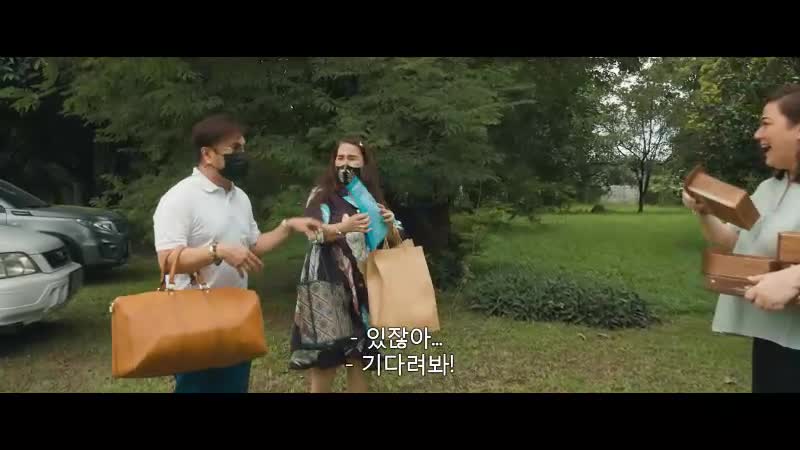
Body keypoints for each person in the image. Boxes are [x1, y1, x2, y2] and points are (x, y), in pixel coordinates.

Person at [152, 114, 321, 393]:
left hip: (237, 316)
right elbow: (168, 261)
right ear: (207, 154)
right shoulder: (180, 198)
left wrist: (288, 226)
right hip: (194, 319)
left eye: (244, 147)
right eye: (234, 148)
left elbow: (252, 246)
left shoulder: (239, 197)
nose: (243, 155)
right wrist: (217, 251)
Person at [682, 84, 800, 393]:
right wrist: (705, 211)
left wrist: (794, 279)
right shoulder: (768, 189)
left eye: (766, 123)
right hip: (772, 339)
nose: (758, 134)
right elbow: (737, 242)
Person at [289, 138, 405, 393]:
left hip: (363, 284)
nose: (345, 164)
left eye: (352, 158)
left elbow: (391, 242)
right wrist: (344, 227)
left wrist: (389, 224)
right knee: (326, 361)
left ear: (364, 163)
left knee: (359, 358)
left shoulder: (369, 198)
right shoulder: (322, 193)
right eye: (340, 158)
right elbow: (313, 233)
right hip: (326, 283)